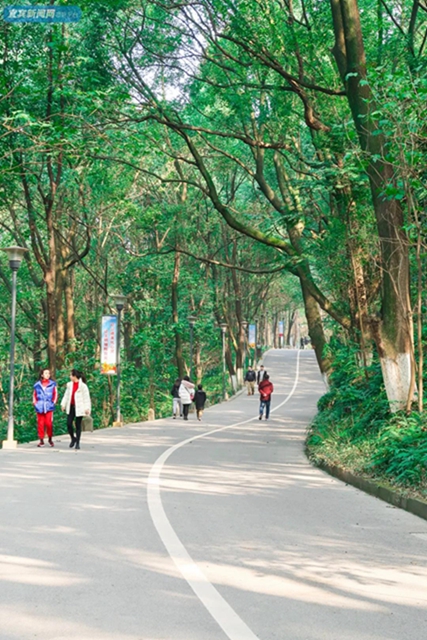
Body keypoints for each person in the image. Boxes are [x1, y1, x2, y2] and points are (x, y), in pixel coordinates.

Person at [61, 369, 91, 450]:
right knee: (69, 423)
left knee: (78, 425)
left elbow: (86, 398)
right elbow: (66, 395)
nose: (70, 377)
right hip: (71, 407)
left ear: (74, 376)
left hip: (79, 407)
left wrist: (87, 408)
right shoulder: (69, 385)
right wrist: (63, 404)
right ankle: (73, 438)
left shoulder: (83, 386)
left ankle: (78, 442)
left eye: (71, 375)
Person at [33, 368, 58, 447]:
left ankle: (50, 438)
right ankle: (41, 440)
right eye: (46, 373)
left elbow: (55, 394)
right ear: (42, 375)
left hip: (49, 406)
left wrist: (53, 402)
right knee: (40, 423)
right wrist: (35, 403)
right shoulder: (37, 385)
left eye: (49, 373)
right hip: (39, 406)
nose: (48, 375)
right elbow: (34, 394)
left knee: (49, 423)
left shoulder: (52, 384)